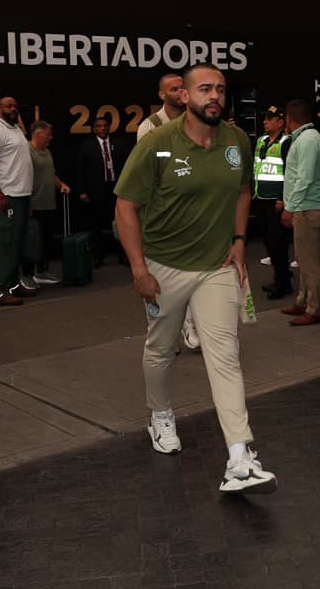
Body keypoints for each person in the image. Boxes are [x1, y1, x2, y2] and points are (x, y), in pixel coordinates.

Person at [115, 62, 277, 494]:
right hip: (164, 267)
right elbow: (125, 207)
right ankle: (160, 414)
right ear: (183, 96)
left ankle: (240, 456)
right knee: (160, 350)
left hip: (217, 266)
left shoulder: (237, 140)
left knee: (224, 354)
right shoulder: (157, 144)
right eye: (205, 89)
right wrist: (139, 270)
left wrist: (240, 239)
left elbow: (244, 189)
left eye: (221, 90)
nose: (215, 97)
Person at [279, 99, 320, 326]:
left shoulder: (308, 140)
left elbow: (305, 178)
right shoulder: (306, 138)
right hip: (305, 207)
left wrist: (290, 206)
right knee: (303, 258)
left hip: (308, 208)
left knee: (310, 263)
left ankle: (315, 309)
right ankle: (302, 301)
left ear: (289, 120)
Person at [0, 97, 35, 306]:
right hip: (7, 196)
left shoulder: (15, 129)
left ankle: (13, 283)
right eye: (8, 106)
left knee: (17, 243)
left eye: (15, 106)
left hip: (20, 195)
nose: (13, 109)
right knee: (5, 243)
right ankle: (2, 290)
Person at [252, 106, 294, 299]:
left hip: (275, 201)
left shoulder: (287, 143)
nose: (265, 122)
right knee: (268, 241)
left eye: (269, 119)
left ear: (280, 122)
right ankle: (279, 276)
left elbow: (288, 173)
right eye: (265, 119)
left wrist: (281, 198)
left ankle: (283, 283)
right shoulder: (261, 141)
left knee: (278, 242)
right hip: (260, 198)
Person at [23, 120, 71, 285]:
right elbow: (23, 179)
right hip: (34, 206)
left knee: (46, 241)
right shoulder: (27, 152)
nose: (51, 137)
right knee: (31, 242)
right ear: (38, 134)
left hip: (49, 204)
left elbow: (52, 174)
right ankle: (28, 275)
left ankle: (42, 271)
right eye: (48, 134)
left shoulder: (48, 152)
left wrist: (61, 185)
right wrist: (27, 204)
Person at [77, 115, 129, 268]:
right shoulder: (87, 146)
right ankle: (98, 256)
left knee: (121, 223)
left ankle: (123, 255)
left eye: (105, 125)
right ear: (94, 129)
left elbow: (127, 166)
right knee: (96, 224)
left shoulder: (119, 144)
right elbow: (80, 169)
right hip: (96, 190)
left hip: (116, 189)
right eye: (99, 126)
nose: (103, 128)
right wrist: (82, 191)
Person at [136, 72, 185, 141]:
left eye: (183, 88)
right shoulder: (149, 126)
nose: (181, 92)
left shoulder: (197, 121)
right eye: (174, 89)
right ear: (162, 95)